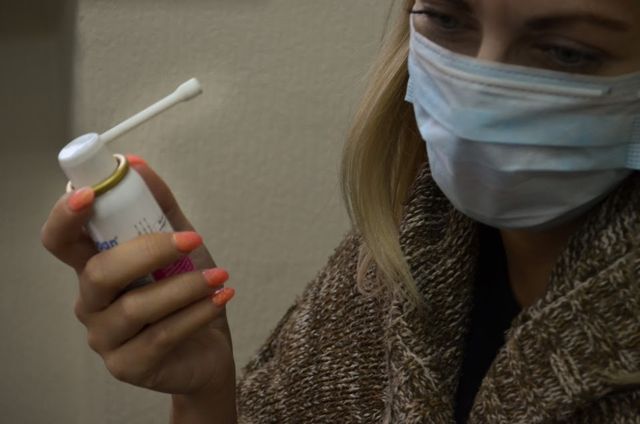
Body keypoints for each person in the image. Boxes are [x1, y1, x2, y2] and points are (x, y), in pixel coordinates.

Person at [41, 0, 640, 422]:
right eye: (447, 19)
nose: (479, 95)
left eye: (567, 53)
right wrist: (203, 392)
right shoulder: (398, 259)